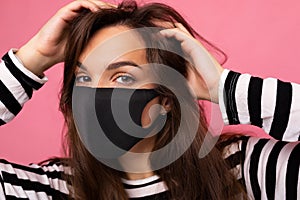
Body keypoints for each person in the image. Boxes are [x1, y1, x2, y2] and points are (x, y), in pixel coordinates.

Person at [0, 0, 299, 199]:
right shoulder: (53, 189)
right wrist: (31, 59)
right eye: (84, 78)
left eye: (123, 78)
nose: (96, 95)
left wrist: (221, 86)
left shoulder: (246, 169)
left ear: (166, 98)